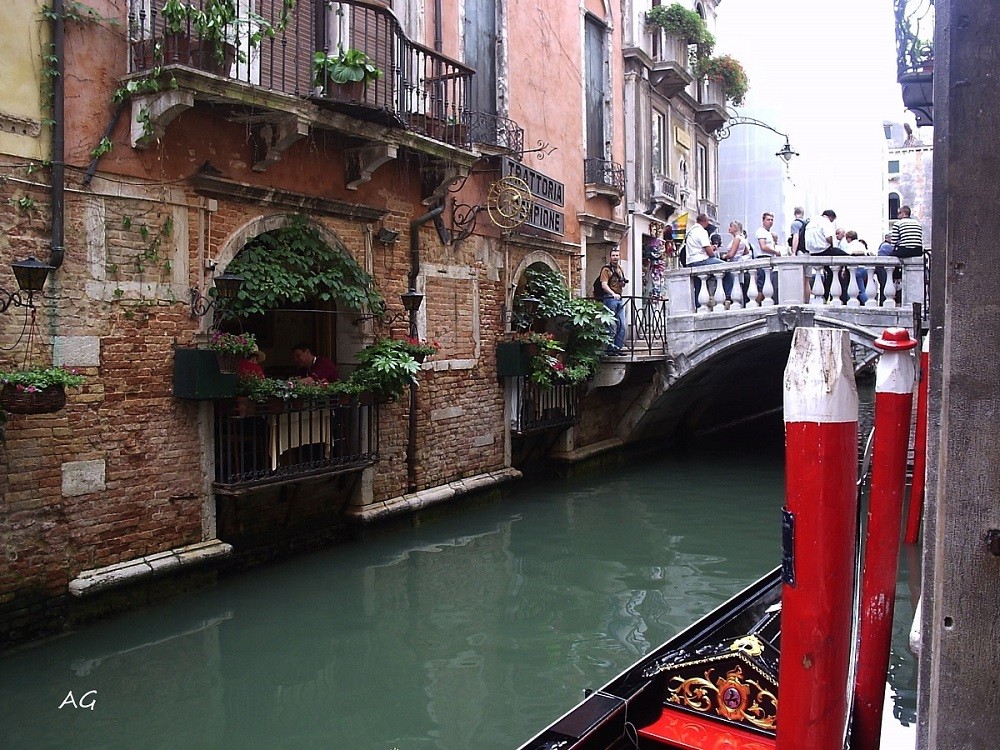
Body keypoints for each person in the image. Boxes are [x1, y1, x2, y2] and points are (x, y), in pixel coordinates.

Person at [684, 213, 732, 304]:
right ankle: (728, 295)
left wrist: (710, 248)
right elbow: (708, 252)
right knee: (727, 267)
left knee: (699, 286)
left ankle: (698, 306)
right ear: (705, 221)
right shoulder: (702, 231)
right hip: (701, 260)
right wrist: (712, 251)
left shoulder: (690, 231)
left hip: (690, 261)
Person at [805, 209, 847, 300]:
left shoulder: (810, 223)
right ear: (830, 217)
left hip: (813, 252)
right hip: (824, 249)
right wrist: (833, 244)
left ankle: (825, 295)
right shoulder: (825, 222)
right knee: (847, 258)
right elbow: (828, 238)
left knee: (831, 272)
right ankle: (843, 295)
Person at [598, 248, 629, 355]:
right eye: (613, 255)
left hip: (619, 298)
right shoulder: (606, 270)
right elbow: (604, 284)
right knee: (611, 325)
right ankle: (610, 349)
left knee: (622, 325)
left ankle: (617, 349)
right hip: (610, 298)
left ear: (619, 257)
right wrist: (612, 294)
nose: (615, 257)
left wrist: (622, 284)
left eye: (617, 255)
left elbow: (622, 284)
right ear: (610, 257)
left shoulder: (620, 269)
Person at [754, 212, 780, 301]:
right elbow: (763, 246)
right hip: (763, 259)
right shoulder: (761, 231)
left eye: (772, 220)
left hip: (768, 260)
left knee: (767, 284)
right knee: (762, 285)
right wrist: (775, 251)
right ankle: (757, 305)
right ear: (763, 221)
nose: (770, 221)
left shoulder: (768, 233)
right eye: (768, 219)